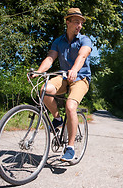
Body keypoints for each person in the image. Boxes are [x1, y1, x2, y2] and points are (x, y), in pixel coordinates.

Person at [34, 8, 92, 161]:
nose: (79, 25)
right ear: (68, 22)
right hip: (64, 77)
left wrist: (74, 69)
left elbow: (82, 55)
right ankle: (57, 118)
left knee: (71, 106)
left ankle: (70, 147)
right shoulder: (58, 41)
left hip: (80, 78)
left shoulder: (84, 40)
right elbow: (50, 58)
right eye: (76, 22)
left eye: (81, 23)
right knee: (45, 89)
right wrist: (39, 71)